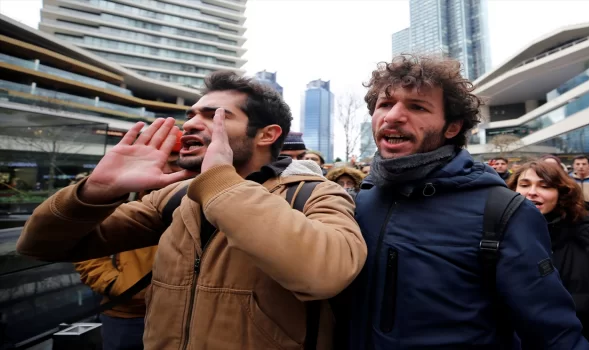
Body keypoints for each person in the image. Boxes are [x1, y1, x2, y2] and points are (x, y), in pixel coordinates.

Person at [17, 71, 366, 350]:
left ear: (266, 135)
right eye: (192, 115)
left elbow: (327, 273)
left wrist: (220, 183)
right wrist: (94, 191)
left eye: (215, 116)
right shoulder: (176, 198)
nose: (192, 124)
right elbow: (40, 245)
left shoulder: (317, 194)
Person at [345, 54, 589, 349]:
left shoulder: (503, 212)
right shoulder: (362, 200)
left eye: (417, 106)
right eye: (385, 104)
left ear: (452, 127)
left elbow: (554, 334)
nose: (393, 116)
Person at [508, 161, 589, 350]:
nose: (532, 192)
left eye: (545, 186)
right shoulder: (497, 237)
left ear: (561, 193)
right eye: (525, 185)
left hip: (585, 338)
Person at [73, 133, 184, 350]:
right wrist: (117, 284)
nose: (168, 170)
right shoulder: (117, 199)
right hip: (126, 314)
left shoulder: (200, 201)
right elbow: (84, 250)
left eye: (175, 164)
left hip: (181, 315)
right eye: (162, 163)